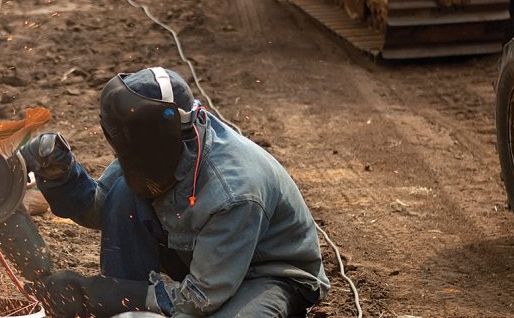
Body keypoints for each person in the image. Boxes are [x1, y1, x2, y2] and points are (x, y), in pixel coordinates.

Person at [22, 67, 330, 317]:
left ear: (158, 135)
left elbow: (199, 299)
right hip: (207, 257)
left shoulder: (234, 192)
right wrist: (60, 174)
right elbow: (101, 208)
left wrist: (97, 294)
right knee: (125, 192)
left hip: (267, 274)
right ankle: (124, 309)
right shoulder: (158, 147)